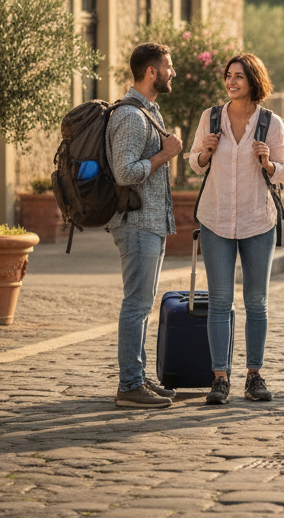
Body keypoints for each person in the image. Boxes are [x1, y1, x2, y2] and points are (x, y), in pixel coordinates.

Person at [189, 53, 284, 405]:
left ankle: (254, 375)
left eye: (239, 76)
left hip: (257, 220)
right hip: (215, 219)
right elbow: (194, 163)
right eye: (228, 76)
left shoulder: (270, 122)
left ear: (254, 81)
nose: (232, 82)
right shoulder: (210, 117)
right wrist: (204, 153)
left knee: (256, 301)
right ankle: (220, 378)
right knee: (219, 301)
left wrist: (269, 163)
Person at [109, 42, 186, 408]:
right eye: (168, 67)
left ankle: (137, 377)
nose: (173, 73)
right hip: (136, 223)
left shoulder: (148, 112)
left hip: (151, 222)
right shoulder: (130, 117)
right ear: (152, 71)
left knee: (142, 304)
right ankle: (129, 385)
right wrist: (164, 155)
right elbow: (124, 173)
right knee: (136, 305)